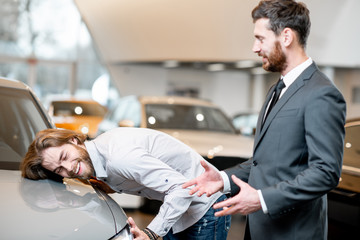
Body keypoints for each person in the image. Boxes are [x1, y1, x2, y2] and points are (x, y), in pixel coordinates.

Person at [183, 0, 346, 239]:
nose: (254, 48)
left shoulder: (322, 93)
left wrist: (261, 199)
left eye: (260, 38)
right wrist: (223, 179)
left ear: (286, 37)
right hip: (260, 230)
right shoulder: (276, 90)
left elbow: (325, 172)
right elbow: (264, 162)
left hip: (292, 233)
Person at [20, 127, 231, 240]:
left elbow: (182, 188)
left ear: (74, 140)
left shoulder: (119, 157)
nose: (68, 168)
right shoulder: (99, 158)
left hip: (205, 207)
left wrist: (152, 233)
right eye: (59, 170)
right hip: (181, 210)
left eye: (65, 156)